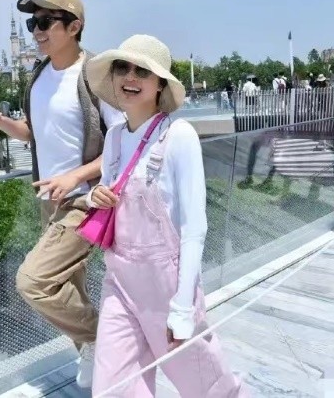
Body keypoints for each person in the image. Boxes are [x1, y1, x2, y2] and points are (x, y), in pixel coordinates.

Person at [0, 0, 124, 387]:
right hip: (49, 201)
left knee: (33, 281)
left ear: (74, 27)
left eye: (45, 22)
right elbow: (34, 133)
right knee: (68, 289)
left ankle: (108, 341)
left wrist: (77, 176)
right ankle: (99, 360)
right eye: (31, 23)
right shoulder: (38, 78)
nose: (36, 31)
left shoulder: (95, 77)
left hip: (86, 201)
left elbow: (123, 146)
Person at [85, 35, 248, 396]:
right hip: (119, 279)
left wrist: (183, 306)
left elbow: (194, 227)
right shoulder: (114, 138)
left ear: (160, 83)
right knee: (113, 387)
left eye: (142, 70)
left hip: (166, 283)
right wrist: (95, 195)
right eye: (122, 68)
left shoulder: (179, 135)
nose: (130, 77)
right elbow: (110, 190)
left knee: (206, 385)